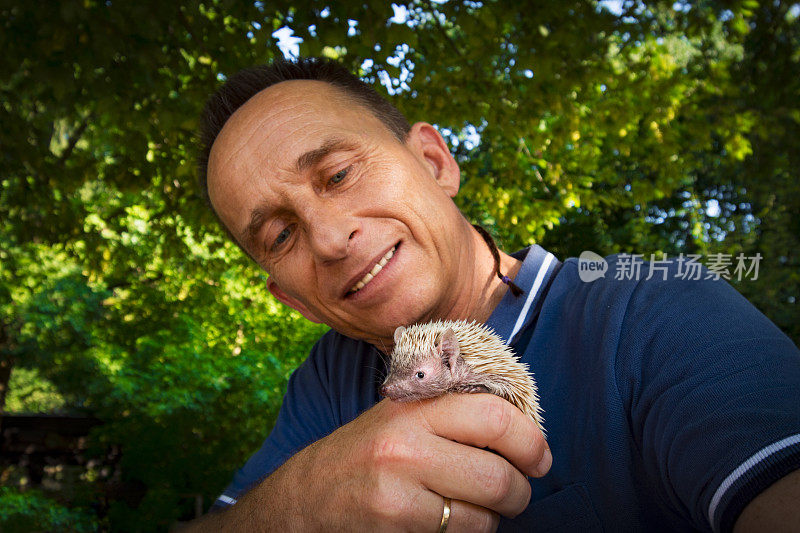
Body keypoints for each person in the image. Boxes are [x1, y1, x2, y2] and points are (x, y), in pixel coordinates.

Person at [188, 58, 800, 531]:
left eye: (340, 174)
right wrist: (300, 508)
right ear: (289, 299)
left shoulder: (651, 308)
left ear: (433, 162)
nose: (327, 238)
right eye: (280, 234)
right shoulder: (326, 380)